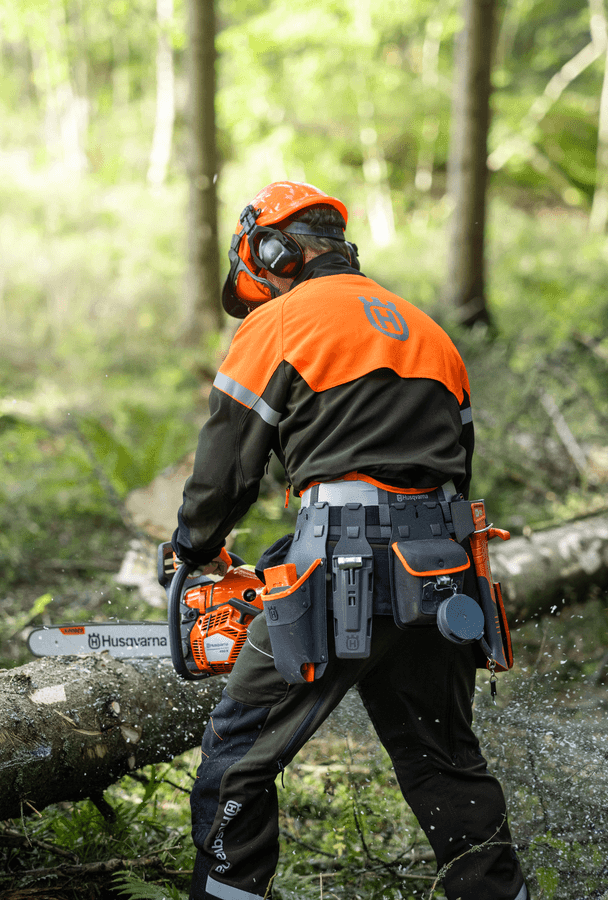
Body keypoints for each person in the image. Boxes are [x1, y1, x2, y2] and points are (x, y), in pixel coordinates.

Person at [172, 181, 528, 900]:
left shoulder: (279, 322)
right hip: (442, 572)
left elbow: (228, 465)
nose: (264, 289)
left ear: (273, 252)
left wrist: (196, 551)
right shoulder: (426, 331)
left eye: (263, 273)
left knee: (237, 758)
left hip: (339, 568)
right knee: (445, 765)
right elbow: (453, 465)